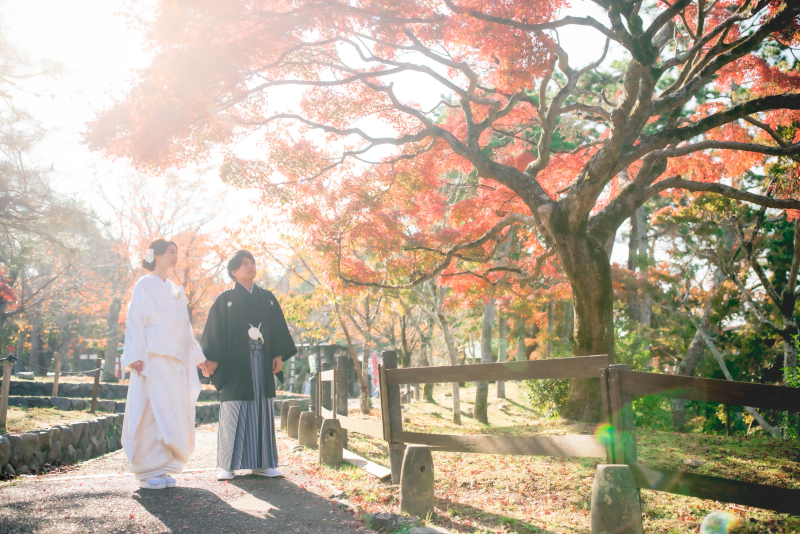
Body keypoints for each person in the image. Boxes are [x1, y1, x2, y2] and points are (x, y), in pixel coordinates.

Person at [199, 250, 297, 480]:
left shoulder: (267, 297)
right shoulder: (226, 300)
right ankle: (227, 465)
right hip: (234, 364)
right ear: (234, 271)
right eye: (245, 263)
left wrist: (277, 354)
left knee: (262, 409)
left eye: (252, 262)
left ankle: (263, 464)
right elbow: (215, 332)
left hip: (262, 361)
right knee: (234, 408)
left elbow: (276, 329)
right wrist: (211, 360)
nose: (251, 266)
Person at [121, 239, 207, 490]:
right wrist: (135, 354)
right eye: (171, 252)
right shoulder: (143, 284)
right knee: (151, 408)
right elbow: (135, 318)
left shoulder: (176, 289)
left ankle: (162, 467)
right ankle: (146, 469)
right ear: (157, 255)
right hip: (153, 354)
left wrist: (199, 359)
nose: (175, 257)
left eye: (176, 253)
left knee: (170, 409)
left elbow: (185, 328)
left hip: (175, 358)